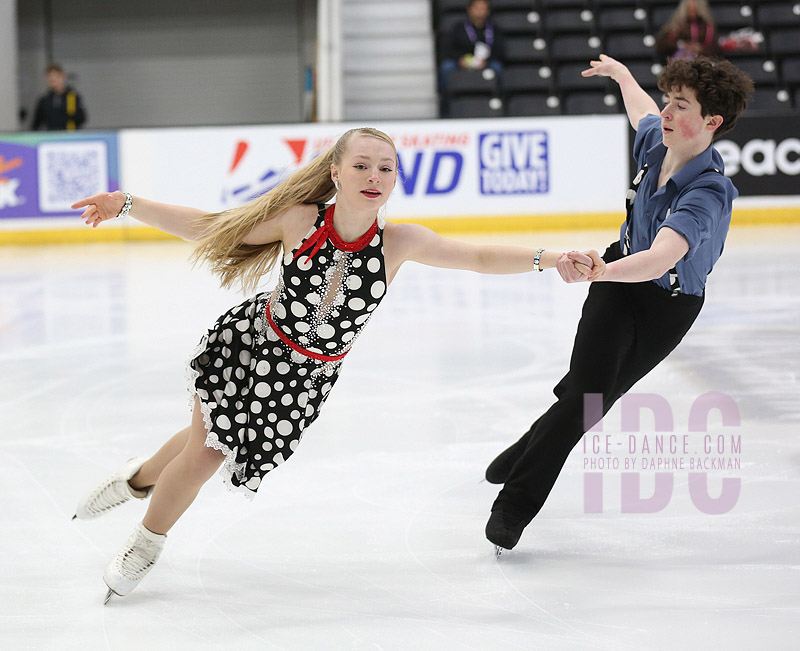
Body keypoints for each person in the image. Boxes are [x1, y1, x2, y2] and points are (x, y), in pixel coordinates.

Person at [70, 127, 603, 602]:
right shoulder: (298, 220)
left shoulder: (400, 242)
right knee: (209, 449)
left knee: (205, 439)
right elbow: (213, 227)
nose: (374, 176)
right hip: (252, 348)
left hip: (303, 381)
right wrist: (127, 204)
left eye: (386, 168)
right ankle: (146, 541)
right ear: (336, 173)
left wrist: (551, 259)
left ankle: (135, 480)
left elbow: (480, 258)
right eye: (362, 165)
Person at [483, 55, 754, 553]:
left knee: (592, 402)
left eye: (681, 105)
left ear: (712, 122)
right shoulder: (658, 140)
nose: (667, 113)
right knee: (588, 393)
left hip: (666, 306)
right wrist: (623, 76)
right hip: (616, 282)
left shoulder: (709, 191)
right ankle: (514, 506)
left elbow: (661, 258)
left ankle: (525, 449)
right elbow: (641, 113)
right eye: (669, 100)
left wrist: (604, 270)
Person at [438, 0, 505, 117]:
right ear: (470, 10)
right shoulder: (458, 27)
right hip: (462, 62)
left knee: (497, 68)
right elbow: (448, 49)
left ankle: (499, 103)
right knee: (446, 68)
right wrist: (460, 59)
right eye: (477, 8)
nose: (480, 12)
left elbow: (500, 50)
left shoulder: (494, 28)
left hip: (486, 62)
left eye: (483, 8)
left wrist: (485, 61)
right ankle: (445, 106)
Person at [655, 0, 721, 62]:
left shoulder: (708, 28)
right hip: (681, 62)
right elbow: (662, 45)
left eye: (694, 10)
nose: (692, 13)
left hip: (702, 62)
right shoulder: (677, 26)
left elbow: (716, 49)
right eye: (689, 9)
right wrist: (682, 45)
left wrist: (700, 49)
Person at [32, 64, 87, 131]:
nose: (52, 80)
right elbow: (36, 123)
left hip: (69, 135)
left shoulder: (72, 97)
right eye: (50, 78)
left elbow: (82, 118)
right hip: (50, 136)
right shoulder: (44, 100)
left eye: (55, 77)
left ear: (62, 77)